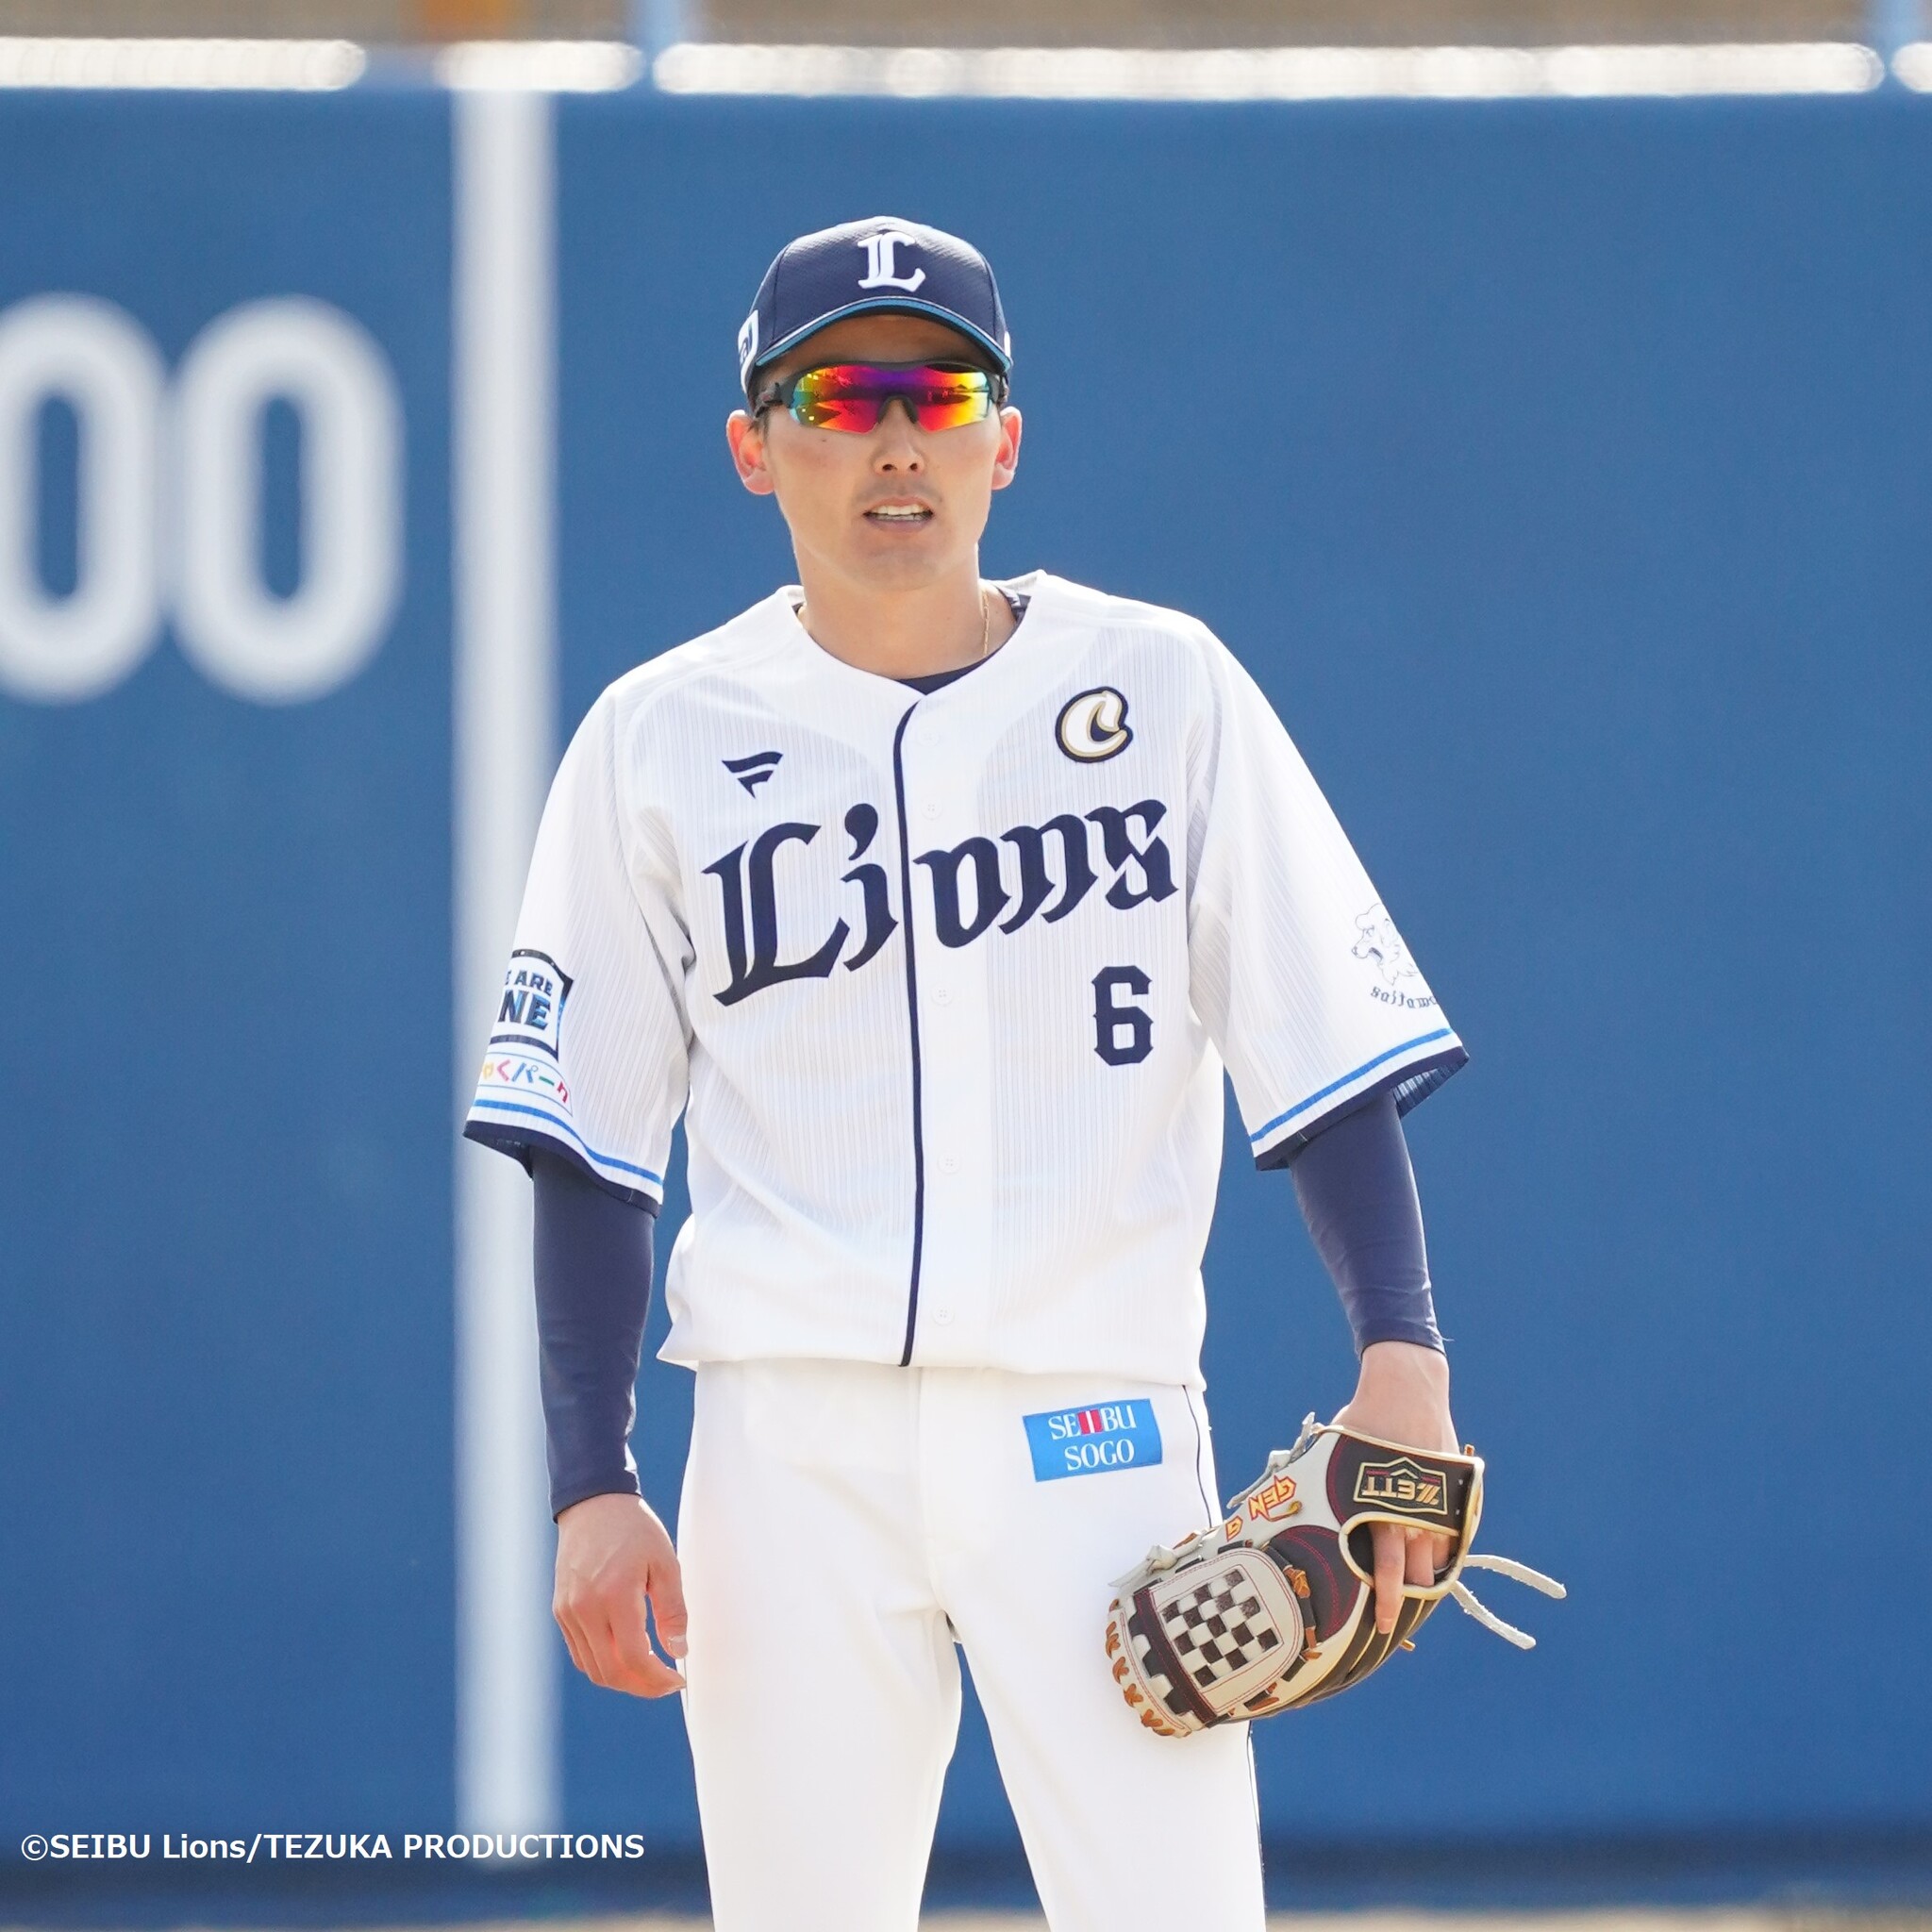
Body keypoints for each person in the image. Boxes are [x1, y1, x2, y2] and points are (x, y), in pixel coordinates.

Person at [464, 215, 1467, 1932]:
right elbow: (592, 1151)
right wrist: (590, 1480)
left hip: (1093, 1430)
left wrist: (1404, 1356)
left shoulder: (1166, 688)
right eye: (840, 394)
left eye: (941, 393)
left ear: (1006, 438)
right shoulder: (657, 736)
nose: (895, 438)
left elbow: (1326, 1054)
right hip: (788, 1449)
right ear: (754, 446)